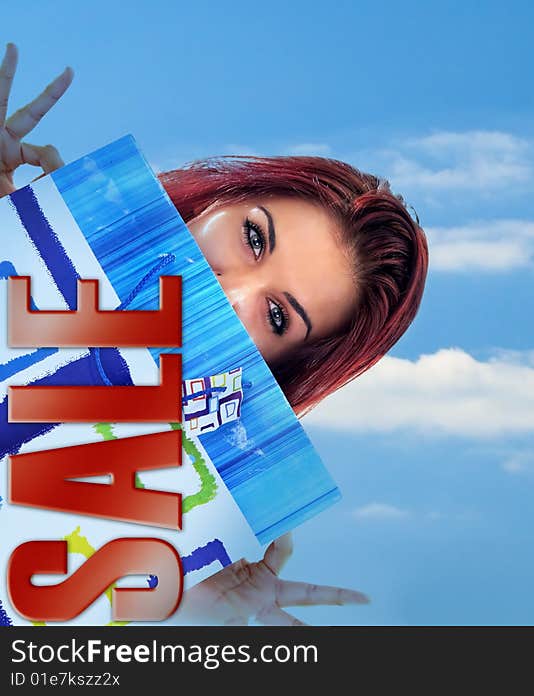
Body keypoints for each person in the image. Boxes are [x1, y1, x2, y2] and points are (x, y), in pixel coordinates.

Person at [0, 43, 429, 625]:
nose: (231, 290)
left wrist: (183, 612)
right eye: (254, 239)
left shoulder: (160, 519)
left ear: (279, 367)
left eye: (278, 315)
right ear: (215, 201)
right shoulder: (24, 239)